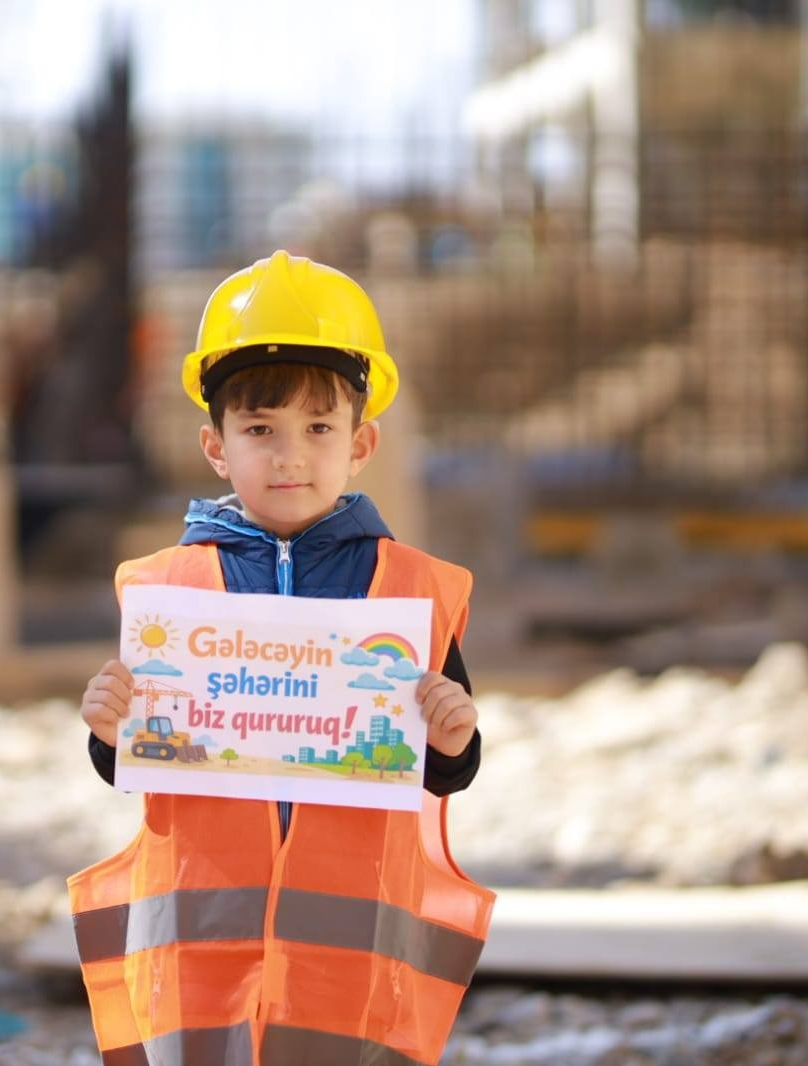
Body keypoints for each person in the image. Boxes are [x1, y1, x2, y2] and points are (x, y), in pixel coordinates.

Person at [70, 250, 494, 1066]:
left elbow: (447, 769)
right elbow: (133, 759)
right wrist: (106, 727)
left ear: (360, 443)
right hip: (199, 967)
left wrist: (453, 737)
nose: (289, 455)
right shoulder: (171, 595)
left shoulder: (410, 594)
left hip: (349, 975)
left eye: (318, 429)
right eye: (260, 430)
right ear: (216, 446)